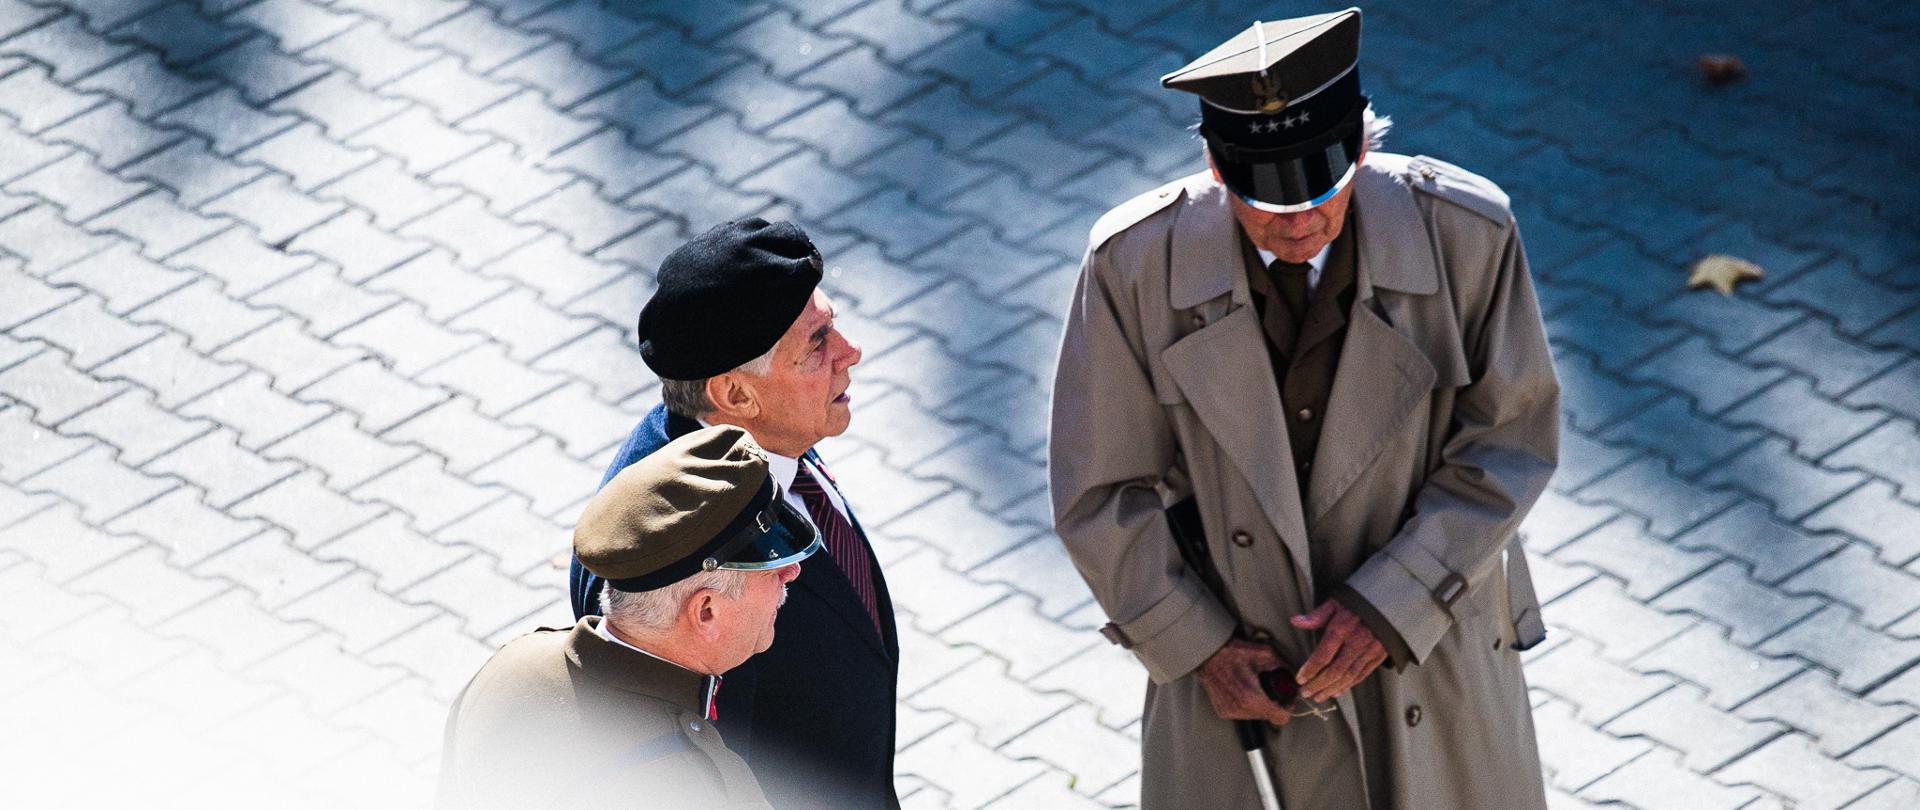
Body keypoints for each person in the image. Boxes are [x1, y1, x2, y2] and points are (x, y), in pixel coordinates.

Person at [1048, 8, 1558, 810]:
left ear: (1362, 147)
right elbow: (1100, 490)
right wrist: (1195, 642)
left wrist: (1396, 600)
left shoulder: (1468, 232)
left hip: (1432, 652)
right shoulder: (1132, 265)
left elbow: (1510, 442)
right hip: (1245, 686)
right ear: (1215, 166)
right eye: (1264, 197)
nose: (1299, 220)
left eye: (1324, 184)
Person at [568, 218, 899, 810]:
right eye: (816, 345)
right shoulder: (668, 554)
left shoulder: (763, 437)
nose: (850, 353)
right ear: (737, 395)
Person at [439, 425, 822, 810]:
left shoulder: (514, 662)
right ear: (706, 611)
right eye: (770, 568)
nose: (791, 573)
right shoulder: (693, 789)